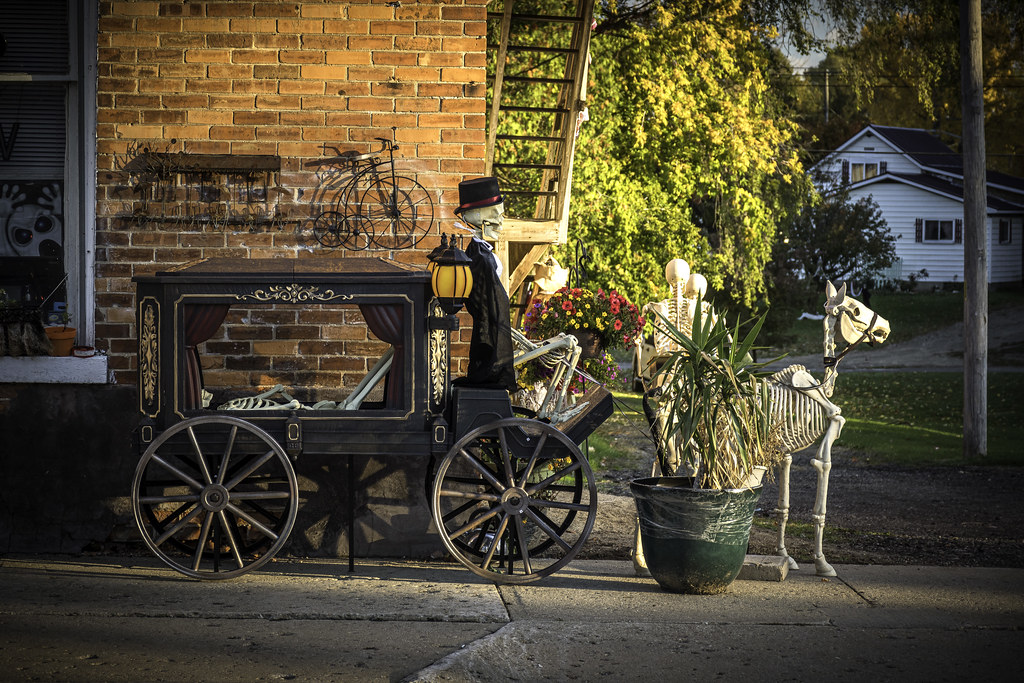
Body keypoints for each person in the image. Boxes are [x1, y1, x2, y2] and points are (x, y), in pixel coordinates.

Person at [450, 177, 517, 392]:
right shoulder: (480, 257)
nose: (501, 220)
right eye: (495, 214)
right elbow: (490, 309)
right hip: (488, 341)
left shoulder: (482, 252)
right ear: (476, 217)